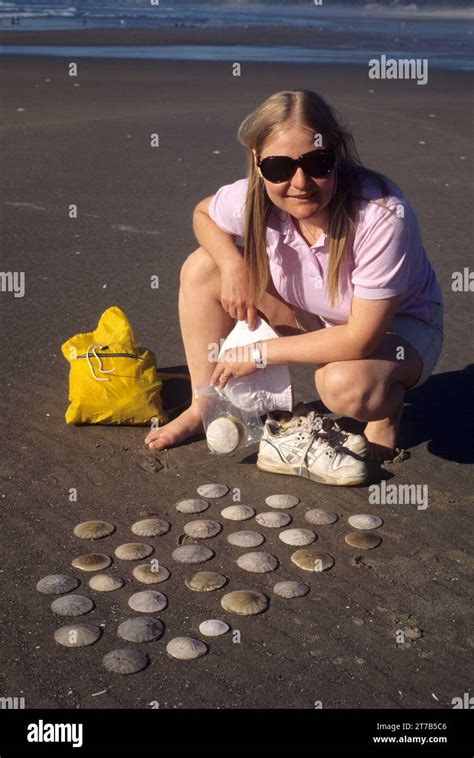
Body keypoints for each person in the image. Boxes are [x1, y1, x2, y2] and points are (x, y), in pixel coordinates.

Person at [145, 89, 443, 462]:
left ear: (338, 154)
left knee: (343, 386)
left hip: (395, 331)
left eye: (317, 162)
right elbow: (202, 216)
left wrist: (257, 353)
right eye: (279, 168)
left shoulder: (380, 214)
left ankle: (385, 411)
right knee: (204, 266)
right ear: (257, 162)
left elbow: (361, 339)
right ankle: (205, 403)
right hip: (312, 315)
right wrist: (233, 265)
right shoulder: (256, 197)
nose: (300, 182)